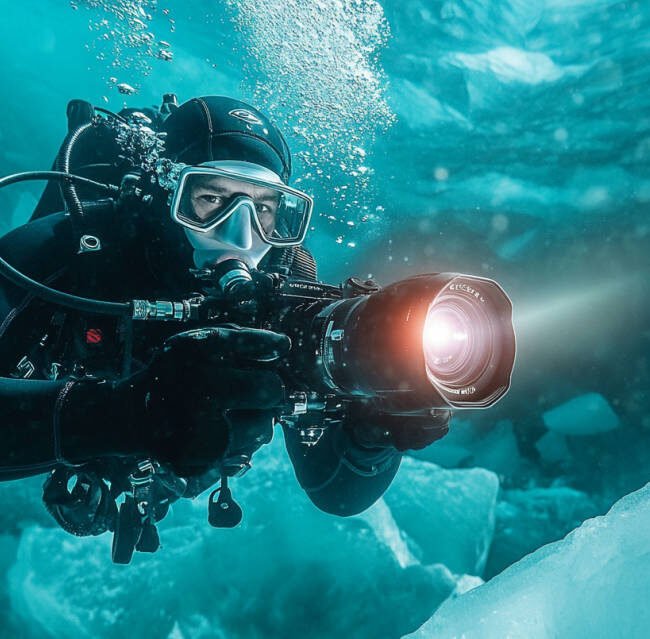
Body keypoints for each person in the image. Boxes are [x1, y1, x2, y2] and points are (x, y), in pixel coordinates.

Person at [0, 95, 450, 560]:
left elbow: (337, 493)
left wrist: (372, 429)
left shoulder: (288, 278)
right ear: (165, 195)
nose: (241, 235)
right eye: (211, 199)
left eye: (266, 210)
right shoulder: (62, 250)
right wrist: (123, 414)